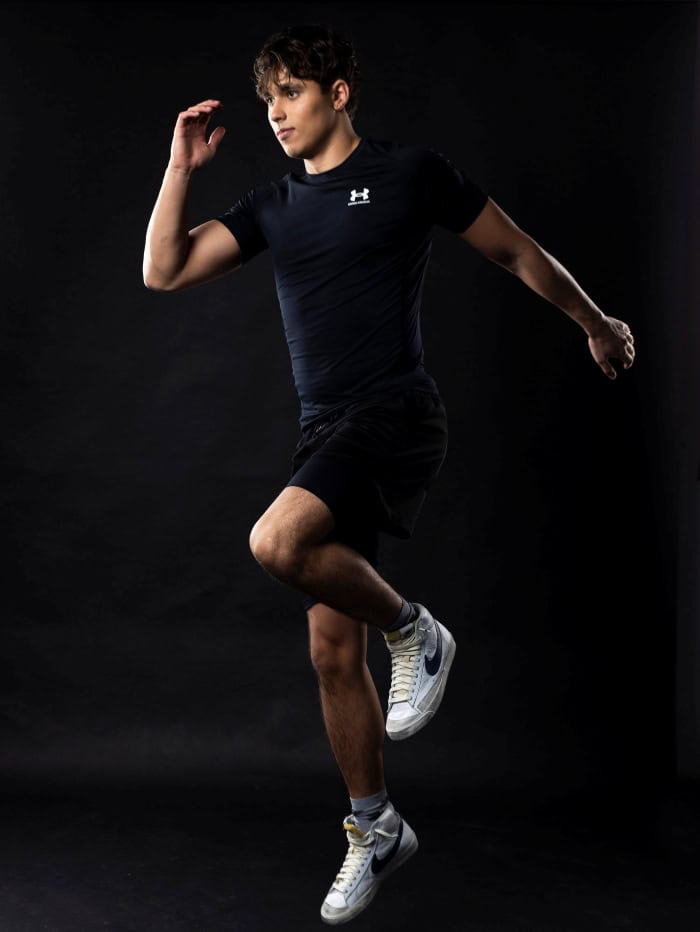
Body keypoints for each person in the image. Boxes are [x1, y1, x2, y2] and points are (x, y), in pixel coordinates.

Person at [142, 23, 635, 925]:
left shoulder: (410, 173)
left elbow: (515, 248)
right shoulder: (273, 204)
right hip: (324, 431)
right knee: (332, 648)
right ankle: (375, 826)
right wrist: (181, 168)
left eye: (292, 92)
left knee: (276, 541)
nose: (276, 112)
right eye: (267, 98)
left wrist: (595, 322)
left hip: (394, 412)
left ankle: (417, 633)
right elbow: (163, 270)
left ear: (338, 93)